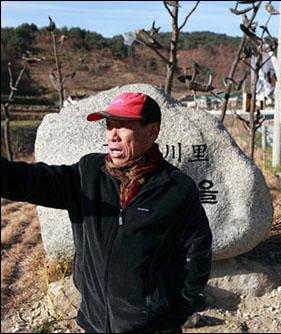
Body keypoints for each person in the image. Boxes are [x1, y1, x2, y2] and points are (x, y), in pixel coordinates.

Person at [1, 92, 213, 333]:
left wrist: (177, 310)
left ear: (152, 131)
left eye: (123, 127)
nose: (112, 135)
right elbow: (31, 181)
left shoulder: (176, 188)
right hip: (95, 322)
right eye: (109, 126)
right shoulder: (88, 173)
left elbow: (197, 253)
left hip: (152, 326)